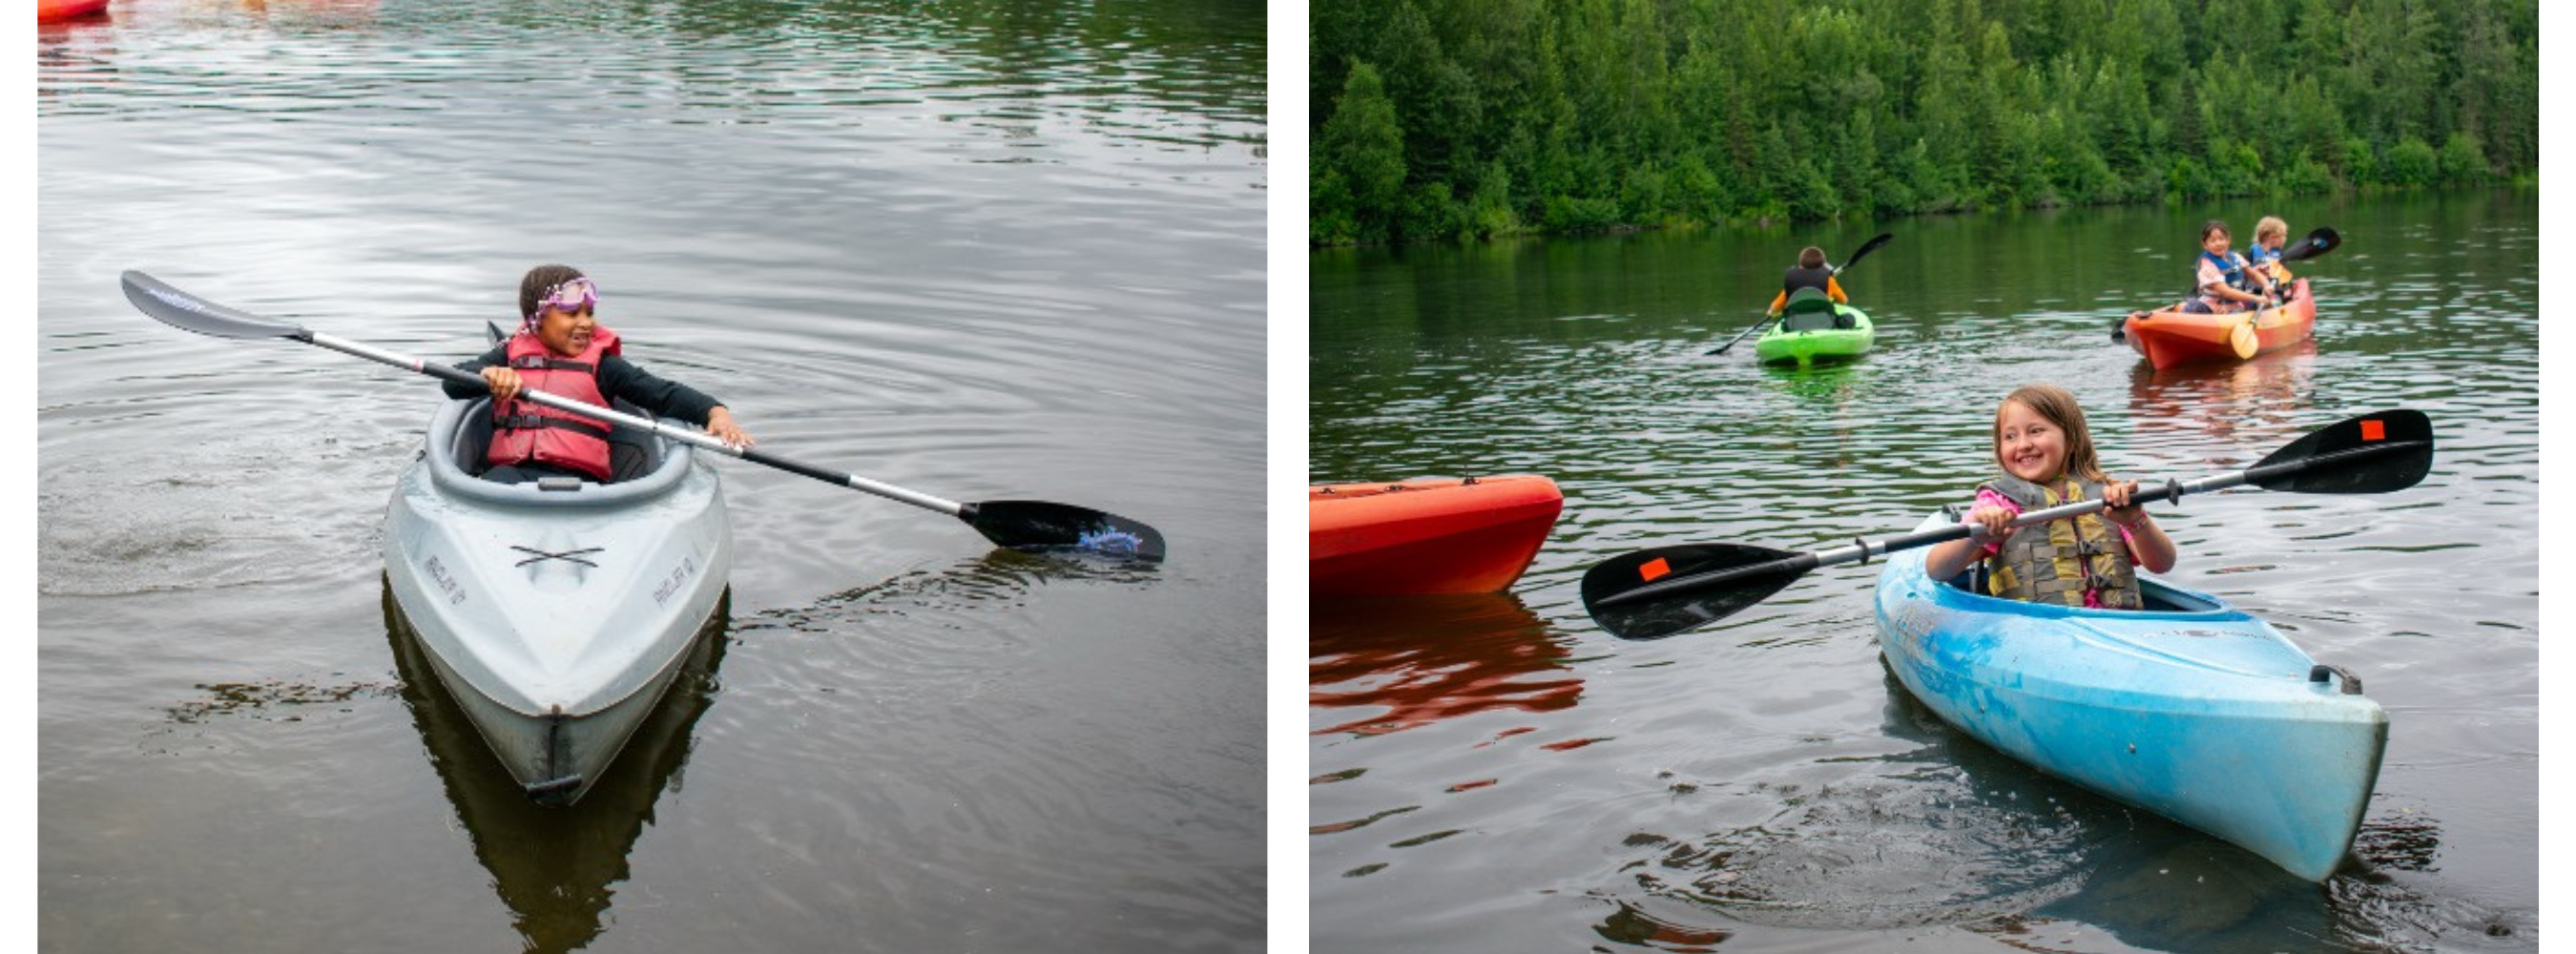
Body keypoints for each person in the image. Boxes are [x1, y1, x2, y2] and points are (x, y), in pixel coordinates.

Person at [443, 264, 755, 484]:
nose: (585, 323)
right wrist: (489, 372)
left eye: (589, 313)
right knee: (494, 484)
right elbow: (453, 383)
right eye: (571, 313)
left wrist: (715, 412)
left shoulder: (606, 366)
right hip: (508, 477)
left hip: (581, 485)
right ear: (535, 320)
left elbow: (664, 394)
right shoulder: (509, 355)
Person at [1922, 384, 2178, 609]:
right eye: (2010, 436)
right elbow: (1937, 570)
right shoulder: (1996, 503)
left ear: (2072, 439)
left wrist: (2136, 520)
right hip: (2038, 629)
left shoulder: (2107, 495)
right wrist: (1974, 537)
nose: (2023, 444)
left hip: (2117, 627)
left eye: (2035, 431)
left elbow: (2162, 564)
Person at [2179, 219, 2274, 314]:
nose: (2218, 243)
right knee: (2193, 305)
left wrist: (2266, 285)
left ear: (2228, 240)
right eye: (2213, 240)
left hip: (2236, 303)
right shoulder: (2207, 266)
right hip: (2213, 307)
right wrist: (2256, 298)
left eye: (2221, 239)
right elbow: (2226, 292)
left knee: (2269, 302)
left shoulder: (2236, 257)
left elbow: (2253, 274)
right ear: (2205, 245)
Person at [1765, 245, 1848, 320]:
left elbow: (1775, 308)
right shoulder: (1829, 280)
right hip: (1824, 322)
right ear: (1823, 266)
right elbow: (1844, 300)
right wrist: (1830, 298)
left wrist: (1771, 312)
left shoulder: (1792, 281)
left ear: (1800, 266)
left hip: (1795, 325)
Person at [2246, 216, 2295, 298]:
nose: (2285, 239)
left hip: (2263, 293)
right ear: (2272, 237)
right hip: (2261, 293)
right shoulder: (2281, 256)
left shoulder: (2250, 253)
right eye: (2284, 235)